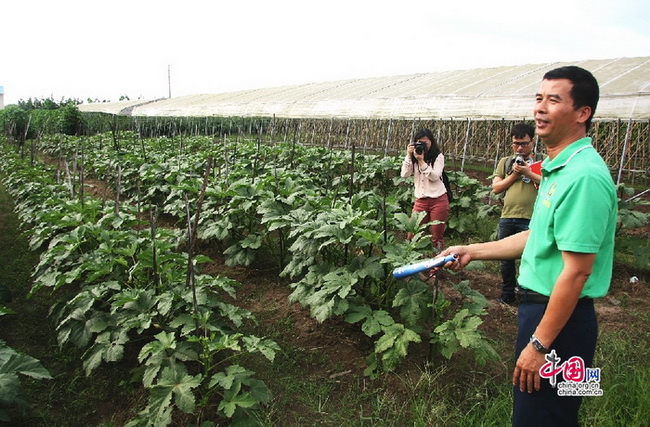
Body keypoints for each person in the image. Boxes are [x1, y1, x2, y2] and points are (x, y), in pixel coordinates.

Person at [439, 66, 617, 426]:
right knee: (548, 415)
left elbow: (578, 271)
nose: (540, 108)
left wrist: (539, 345)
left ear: (583, 113)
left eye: (554, 100)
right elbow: (536, 237)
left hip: (560, 322)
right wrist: (471, 250)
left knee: (543, 419)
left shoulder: (584, 177)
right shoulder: (558, 169)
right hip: (549, 316)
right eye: (538, 99)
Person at [492, 123, 541, 305]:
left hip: (532, 217)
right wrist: (514, 174)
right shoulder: (506, 162)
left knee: (530, 259)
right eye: (516, 143)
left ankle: (527, 294)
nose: (520, 148)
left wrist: (529, 172)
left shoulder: (542, 162)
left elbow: (551, 184)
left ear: (532, 142)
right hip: (508, 216)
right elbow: (496, 188)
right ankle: (508, 294)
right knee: (505, 259)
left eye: (524, 143)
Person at [400, 128, 449, 252]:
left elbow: (434, 176)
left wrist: (422, 161)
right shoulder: (414, 156)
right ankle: (411, 262)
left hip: (438, 200)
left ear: (431, 142)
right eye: (419, 143)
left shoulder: (438, 157)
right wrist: (409, 155)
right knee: (412, 234)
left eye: (425, 143)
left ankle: (435, 267)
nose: (422, 146)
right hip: (421, 201)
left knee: (436, 236)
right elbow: (404, 174)